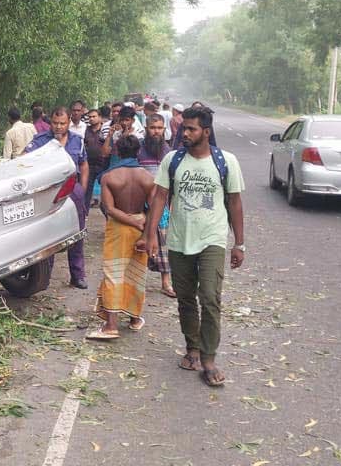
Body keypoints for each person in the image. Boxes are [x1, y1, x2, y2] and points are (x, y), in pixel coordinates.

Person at [145, 107, 245, 388]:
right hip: (179, 239)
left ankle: (209, 358)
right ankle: (192, 348)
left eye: (191, 129)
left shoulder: (227, 161)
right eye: (183, 128)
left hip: (212, 238)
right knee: (186, 298)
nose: (184, 133)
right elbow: (160, 197)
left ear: (206, 132)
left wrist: (239, 243)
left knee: (210, 298)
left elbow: (235, 201)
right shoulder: (172, 160)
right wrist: (150, 235)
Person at [89, 135, 153, 340]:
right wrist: (143, 230)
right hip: (141, 226)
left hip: (118, 227)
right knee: (136, 272)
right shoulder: (148, 178)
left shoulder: (110, 177)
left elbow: (109, 208)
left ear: (117, 151)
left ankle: (111, 325)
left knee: (113, 273)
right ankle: (134, 319)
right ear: (138, 152)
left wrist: (130, 221)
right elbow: (154, 209)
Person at [25, 107, 89, 289]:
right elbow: (24, 160)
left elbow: (84, 164)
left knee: (77, 231)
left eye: (62, 123)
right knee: (48, 232)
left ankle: (77, 275)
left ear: (69, 122)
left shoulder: (78, 141)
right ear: (50, 122)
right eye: (55, 123)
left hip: (73, 189)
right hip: (49, 192)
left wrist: (82, 188)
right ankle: (45, 275)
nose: (58, 127)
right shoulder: (40, 141)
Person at [138, 114, 176, 298]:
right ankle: (136, 283)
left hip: (162, 205)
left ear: (164, 130)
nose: (156, 131)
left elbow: (173, 183)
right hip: (139, 203)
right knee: (138, 242)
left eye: (160, 128)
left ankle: (166, 283)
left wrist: (172, 205)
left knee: (163, 243)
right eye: (153, 128)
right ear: (146, 128)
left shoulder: (169, 152)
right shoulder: (138, 149)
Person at [83, 108, 109, 207]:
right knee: (87, 190)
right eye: (90, 117)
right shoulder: (86, 130)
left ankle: (107, 209)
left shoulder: (105, 130)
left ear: (100, 118)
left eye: (94, 116)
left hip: (103, 164)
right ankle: (84, 213)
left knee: (106, 188)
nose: (91, 119)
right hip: (89, 164)